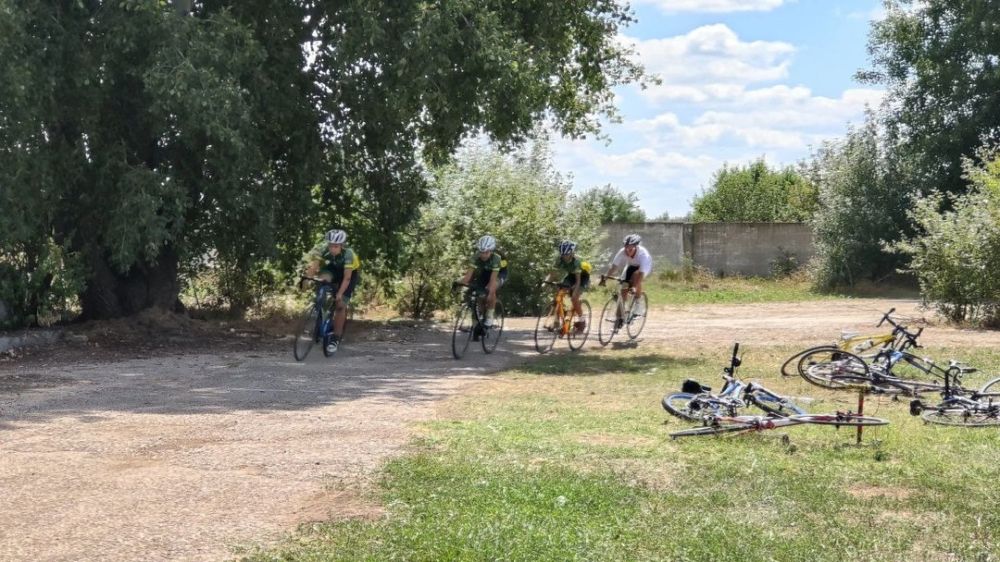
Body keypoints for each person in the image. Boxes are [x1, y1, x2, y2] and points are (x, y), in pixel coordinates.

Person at [303, 228, 360, 354]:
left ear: (342, 245)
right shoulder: (323, 249)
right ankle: (320, 309)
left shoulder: (349, 254)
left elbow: (347, 278)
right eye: (330, 246)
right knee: (323, 280)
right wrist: (307, 280)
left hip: (348, 274)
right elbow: (314, 267)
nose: (332, 249)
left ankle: (335, 338)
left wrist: (340, 293)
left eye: (336, 246)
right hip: (332, 269)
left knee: (340, 305)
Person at [599, 233, 652, 327]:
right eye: (626, 248)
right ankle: (619, 318)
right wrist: (606, 278)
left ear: (636, 247)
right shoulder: (622, 251)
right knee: (623, 290)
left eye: (630, 249)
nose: (628, 251)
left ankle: (638, 304)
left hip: (643, 268)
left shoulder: (643, 255)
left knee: (636, 277)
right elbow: (614, 266)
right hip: (631, 266)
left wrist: (634, 287)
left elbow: (641, 274)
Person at [458, 234, 507, 336]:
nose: (483, 255)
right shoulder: (476, 257)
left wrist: (489, 293)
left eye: (486, 252)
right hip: (485, 273)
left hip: (500, 273)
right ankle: (479, 318)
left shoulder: (497, 258)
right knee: (479, 294)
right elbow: (467, 277)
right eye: (481, 252)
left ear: (491, 251)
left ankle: (489, 317)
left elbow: (493, 279)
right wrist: (459, 283)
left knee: (490, 289)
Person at [542, 240, 592, 333]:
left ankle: (582, 320)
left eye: (567, 255)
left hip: (582, 277)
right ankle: (557, 320)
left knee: (574, 298)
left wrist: (575, 292)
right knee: (559, 293)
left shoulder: (576, 262)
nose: (564, 257)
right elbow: (552, 273)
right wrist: (546, 282)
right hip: (571, 275)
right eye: (562, 255)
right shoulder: (559, 259)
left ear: (572, 253)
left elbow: (577, 282)